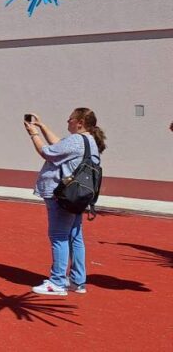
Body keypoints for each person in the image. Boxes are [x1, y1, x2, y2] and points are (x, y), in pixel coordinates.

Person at [25, 108, 105, 296]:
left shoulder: (76, 140)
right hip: (77, 196)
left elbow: (48, 152)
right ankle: (77, 281)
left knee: (59, 235)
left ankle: (57, 282)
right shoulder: (88, 141)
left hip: (62, 195)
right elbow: (59, 145)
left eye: (70, 119)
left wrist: (33, 134)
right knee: (75, 236)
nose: (67, 121)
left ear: (80, 123)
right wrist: (42, 126)